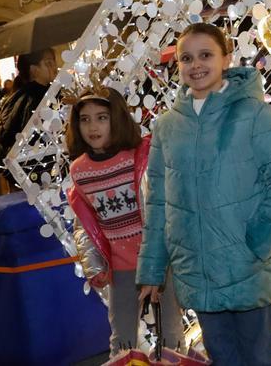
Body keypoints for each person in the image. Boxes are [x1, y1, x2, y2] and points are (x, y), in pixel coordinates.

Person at [136, 23, 271, 364]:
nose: (196, 65)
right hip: (198, 271)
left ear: (226, 58)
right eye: (187, 58)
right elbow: (158, 204)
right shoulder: (167, 127)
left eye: (206, 55)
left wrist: (259, 242)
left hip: (248, 270)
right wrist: (152, 271)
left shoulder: (254, 114)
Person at [66, 87, 183, 357]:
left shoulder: (141, 155)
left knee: (172, 339)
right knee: (121, 342)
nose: (92, 126)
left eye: (101, 118)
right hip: (121, 268)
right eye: (85, 119)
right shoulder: (79, 171)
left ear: (116, 118)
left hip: (159, 261)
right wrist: (93, 265)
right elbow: (85, 223)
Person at [0, 49, 57, 156]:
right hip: (37, 159)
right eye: (48, 63)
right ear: (34, 69)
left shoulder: (46, 91)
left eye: (54, 62)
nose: (54, 67)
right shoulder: (33, 97)